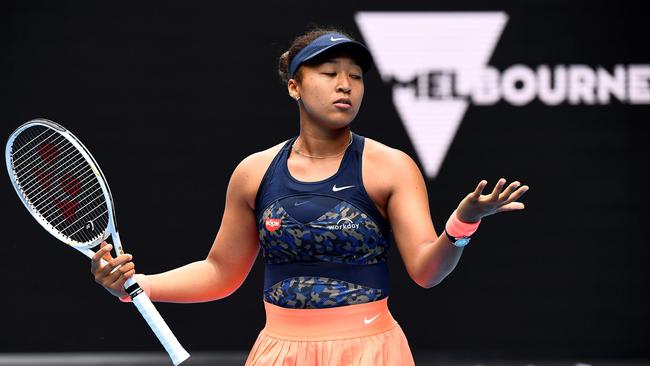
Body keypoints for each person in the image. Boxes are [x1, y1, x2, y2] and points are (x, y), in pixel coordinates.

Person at [91, 27, 529, 365]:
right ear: (294, 87)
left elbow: (427, 273)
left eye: (356, 76)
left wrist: (462, 224)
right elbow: (220, 273)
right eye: (330, 73)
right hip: (278, 352)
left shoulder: (391, 166)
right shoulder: (253, 172)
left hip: (370, 353)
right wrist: (136, 287)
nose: (346, 85)